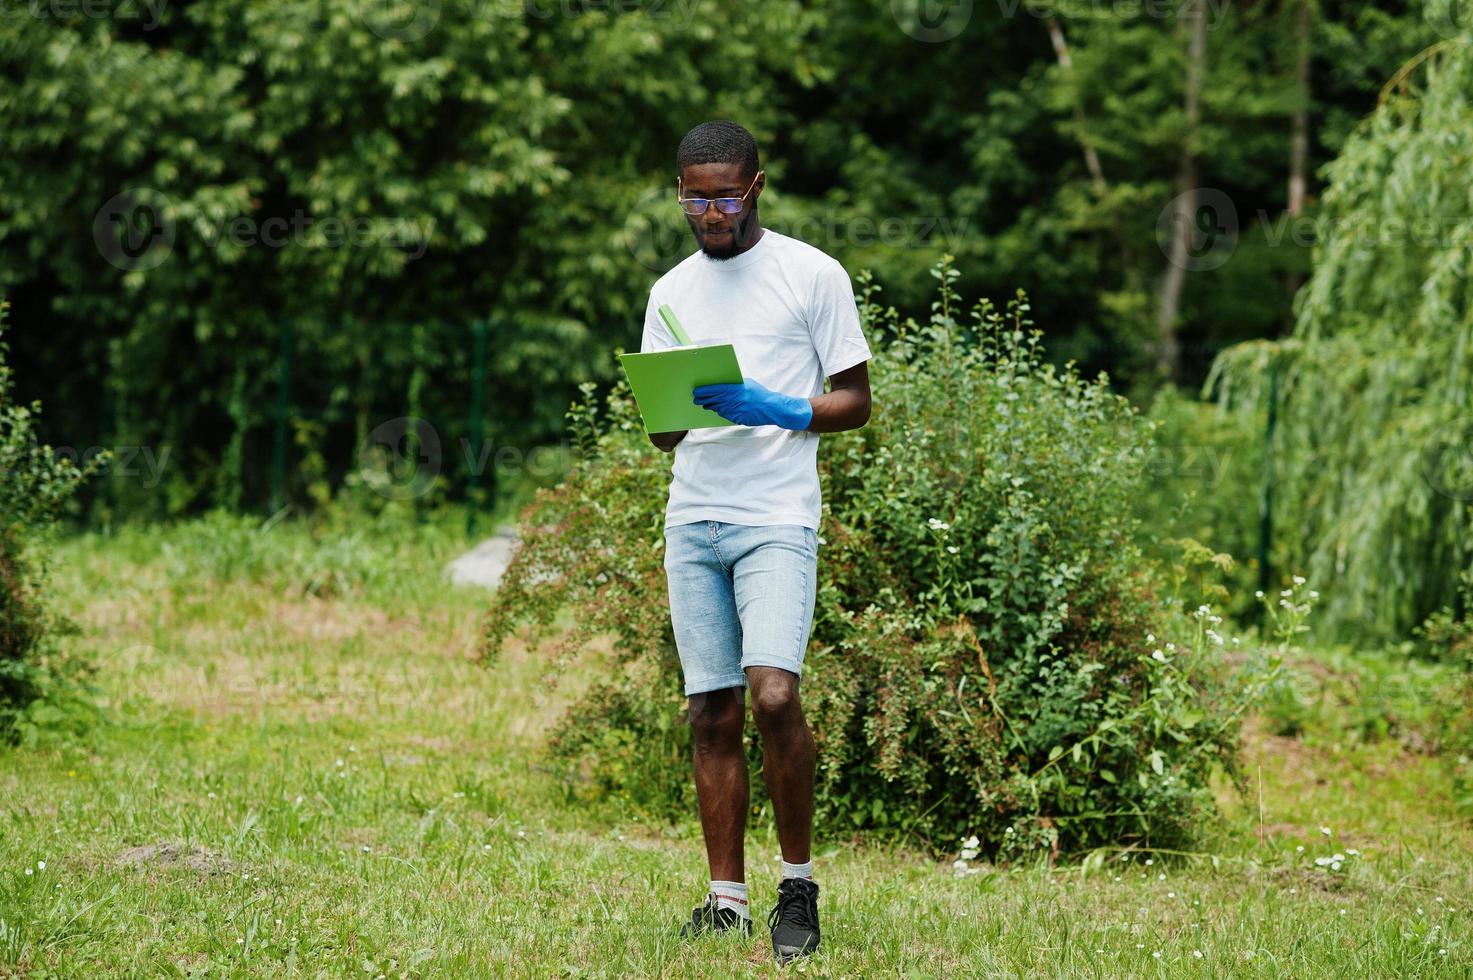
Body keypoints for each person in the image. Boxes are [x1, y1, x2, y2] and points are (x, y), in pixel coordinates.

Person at [638, 120, 873, 963]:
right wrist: (673, 407)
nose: (711, 212)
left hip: (776, 516)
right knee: (711, 707)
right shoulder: (670, 289)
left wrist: (783, 409)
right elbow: (663, 436)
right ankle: (725, 899)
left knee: (773, 695)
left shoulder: (811, 274)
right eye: (695, 197)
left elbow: (856, 399)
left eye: (725, 195)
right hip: (692, 515)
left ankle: (799, 885)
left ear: (756, 187)